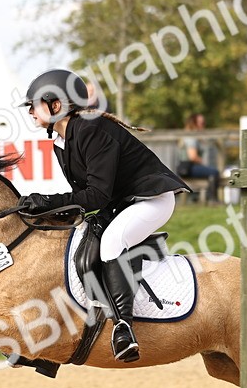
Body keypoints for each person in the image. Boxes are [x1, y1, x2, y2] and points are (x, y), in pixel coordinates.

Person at [17, 68, 189, 363]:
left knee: (110, 244)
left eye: (34, 104)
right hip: (121, 203)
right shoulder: (62, 142)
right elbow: (84, 196)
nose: (30, 111)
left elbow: (96, 195)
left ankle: (124, 328)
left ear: (56, 105)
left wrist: (47, 202)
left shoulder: (91, 129)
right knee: (78, 243)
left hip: (151, 199)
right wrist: (47, 211)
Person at [176, 113, 221, 203]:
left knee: (211, 171)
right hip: (188, 168)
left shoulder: (190, 135)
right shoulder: (191, 137)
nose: (203, 125)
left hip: (188, 167)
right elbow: (193, 156)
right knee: (214, 172)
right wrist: (203, 162)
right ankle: (213, 199)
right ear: (194, 123)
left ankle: (210, 199)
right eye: (201, 123)